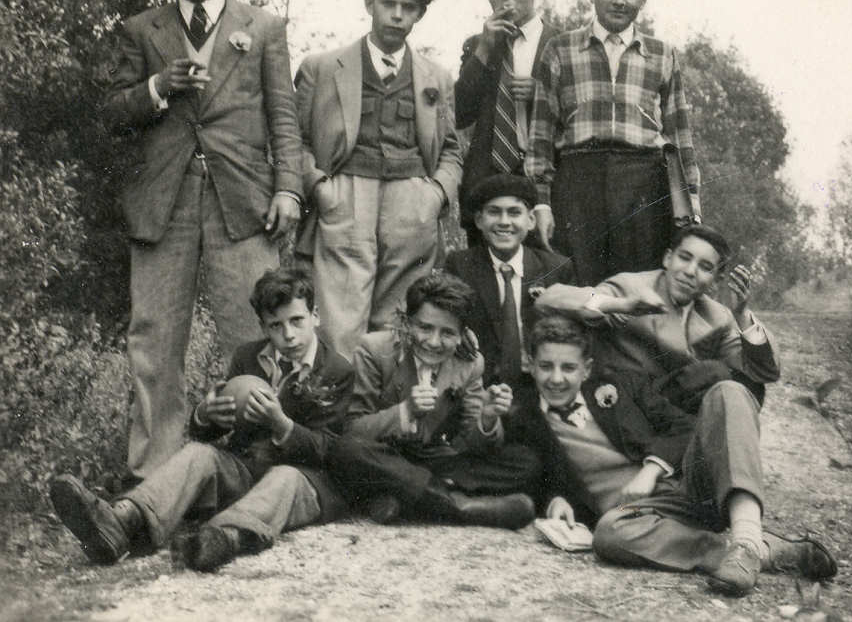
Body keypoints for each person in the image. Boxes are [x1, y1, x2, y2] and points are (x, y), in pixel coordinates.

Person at [103, 0, 303, 480]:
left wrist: (289, 188)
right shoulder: (141, 30)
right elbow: (112, 112)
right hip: (161, 205)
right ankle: (153, 476)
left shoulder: (263, 27)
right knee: (155, 339)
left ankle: (258, 466)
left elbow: (283, 117)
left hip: (242, 202)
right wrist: (156, 87)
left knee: (258, 331)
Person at [50, 268, 354, 572]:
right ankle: (124, 519)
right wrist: (206, 415)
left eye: (297, 320)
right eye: (276, 325)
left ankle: (222, 538)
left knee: (285, 477)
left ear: (315, 316)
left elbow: (329, 450)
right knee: (199, 454)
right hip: (247, 471)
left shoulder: (337, 370)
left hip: (303, 481)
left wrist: (282, 425)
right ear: (263, 327)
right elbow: (209, 431)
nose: (288, 335)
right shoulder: (248, 357)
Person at [509, 315, 837, 595]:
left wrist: (651, 469)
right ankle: (754, 551)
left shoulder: (620, 387)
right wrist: (555, 499)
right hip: (634, 519)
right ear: (530, 366)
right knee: (608, 535)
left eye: (568, 367)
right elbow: (530, 470)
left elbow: (683, 427)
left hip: (689, 489)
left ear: (586, 369)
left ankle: (747, 535)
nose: (556, 378)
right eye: (546, 366)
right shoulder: (526, 419)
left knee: (728, 392)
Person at [294, 0, 462, 359]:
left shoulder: (437, 77)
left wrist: (436, 195)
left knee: (400, 320)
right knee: (339, 319)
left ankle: (389, 398)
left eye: (408, 8)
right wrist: (319, 187)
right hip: (346, 197)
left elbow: (451, 148)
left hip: (412, 204)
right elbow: (294, 140)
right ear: (370, 4)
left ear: (419, 15)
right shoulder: (322, 67)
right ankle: (338, 397)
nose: (397, 15)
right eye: (388, 4)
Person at [526, 0, 700, 286]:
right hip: (578, 185)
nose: (619, 0)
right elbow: (540, 138)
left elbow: (680, 138)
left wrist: (691, 207)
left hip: (643, 187)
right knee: (579, 288)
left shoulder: (662, 54)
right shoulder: (560, 49)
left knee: (638, 289)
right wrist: (542, 204)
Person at [326, 273, 540, 529]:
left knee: (525, 462)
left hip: (433, 462)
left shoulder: (469, 362)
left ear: (462, 334)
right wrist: (406, 412)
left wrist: (487, 417)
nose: (434, 342)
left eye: (447, 333)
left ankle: (404, 495)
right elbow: (353, 429)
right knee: (347, 450)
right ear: (407, 323)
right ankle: (457, 507)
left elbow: (469, 443)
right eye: (425, 328)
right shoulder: (375, 350)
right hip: (384, 456)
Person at [536, 223, 779, 413]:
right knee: (715, 373)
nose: (690, 272)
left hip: (672, 407)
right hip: (621, 402)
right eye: (684, 258)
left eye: (705, 267)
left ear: (716, 280)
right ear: (667, 259)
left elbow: (764, 373)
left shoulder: (717, 316)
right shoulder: (631, 286)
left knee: (748, 388)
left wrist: (742, 314)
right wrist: (620, 305)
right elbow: (548, 299)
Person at [454, 0, 559, 245]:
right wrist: (484, 48)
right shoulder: (478, 44)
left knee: (547, 266)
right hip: (487, 183)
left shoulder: (562, 43)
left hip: (545, 181)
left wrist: (542, 95)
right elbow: (459, 114)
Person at [444, 173, 573, 388]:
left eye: (514, 213)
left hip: (541, 387)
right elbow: (446, 318)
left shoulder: (556, 269)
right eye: (494, 212)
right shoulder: (460, 266)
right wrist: (457, 330)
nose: (504, 222)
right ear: (479, 220)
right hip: (481, 387)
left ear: (531, 220)